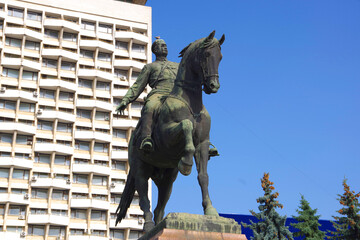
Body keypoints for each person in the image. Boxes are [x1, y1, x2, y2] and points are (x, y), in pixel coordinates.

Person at [116, 37, 179, 152]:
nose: (165, 47)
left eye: (165, 45)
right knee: (149, 107)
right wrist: (126, 100)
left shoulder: (177, 66)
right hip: (158, 93)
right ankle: (146, 138)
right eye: (161, 45)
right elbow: (138, 85)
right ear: (155, 50)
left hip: (176, 95)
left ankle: (202, 142)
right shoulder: (150, 67)